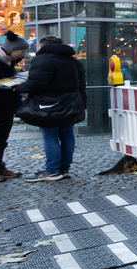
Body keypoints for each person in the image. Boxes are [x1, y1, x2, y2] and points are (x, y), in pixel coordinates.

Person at [18, 35, 86, 182]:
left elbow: (36, 84)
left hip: (48, 105)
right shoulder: (73, 61)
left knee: (50, 136)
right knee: (67, 136)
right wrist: (83, 105)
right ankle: (64, 169)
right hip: (70, 105)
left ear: (42, 46)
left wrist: (18, 87)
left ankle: (52, 170)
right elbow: (81, 86)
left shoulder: (43, 59)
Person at [0, 32, 28, 182]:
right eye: (22, 51)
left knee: (1, 141)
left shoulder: (8, 63)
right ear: (12, 49)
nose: (23, 55)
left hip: (6, 109)